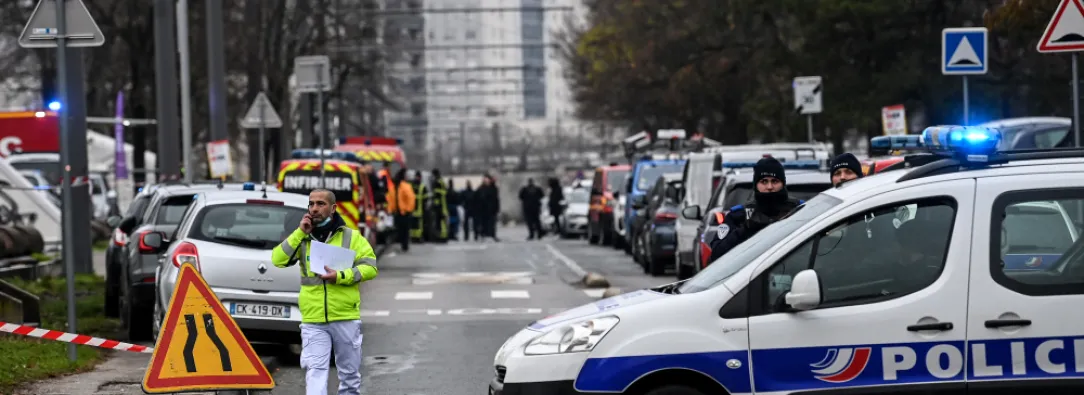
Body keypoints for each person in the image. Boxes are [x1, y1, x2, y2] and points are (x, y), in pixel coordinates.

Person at [270, 189, 378, 395]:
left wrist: (341, 276)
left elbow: (370, 267)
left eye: (320, 204)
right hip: (313, 318)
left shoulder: (351, 236)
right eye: (311, 204)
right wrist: (300, 232)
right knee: (316, 370)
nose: (314, 209)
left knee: (349, 374)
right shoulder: (302, 237)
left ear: (333, 208)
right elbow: (278, 259)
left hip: (345, 315)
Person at [708, 157, 802, 262]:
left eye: (775, 181)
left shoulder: (799, 210)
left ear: (783, 183)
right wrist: (745, 230)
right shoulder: (739, 215)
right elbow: (716, 254)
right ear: (756, 185)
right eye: (764, 181)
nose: (769, 187)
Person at [387, 169, 416, 252]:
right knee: (400, 229)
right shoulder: (394, 187)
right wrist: (390, 209)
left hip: (404, 212)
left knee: (405, 229)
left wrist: (408, 209)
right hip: (397, 212)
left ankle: (405, 245)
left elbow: (410, 199)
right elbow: (390, 199)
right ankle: (403, 243)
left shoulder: (404, 187)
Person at [476, 174, 501, 241]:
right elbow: (478, 199)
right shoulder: (482, 188)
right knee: (484, 223)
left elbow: (496, 199)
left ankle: (492, 235)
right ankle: (484, 235)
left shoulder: (493, 188)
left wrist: (497, 208)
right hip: (484, 209)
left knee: (492, 223)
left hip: (491, 209)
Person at [429, 169, 450, 242]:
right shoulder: (441, 181)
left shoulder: (437, 182)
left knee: (440, 221)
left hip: (440, 206)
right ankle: (443, 236)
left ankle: (442, 237)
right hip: (443, 205)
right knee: (442, 222)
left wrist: (434, 203)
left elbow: (437, 195)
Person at [410, 171, 427, 241]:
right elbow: (425, 199)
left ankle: (414, 237)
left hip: (413, 210)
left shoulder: (411, 185)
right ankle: (417, 237)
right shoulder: (422, 187)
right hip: (419, 210)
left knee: (414, 225)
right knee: (418, 225)